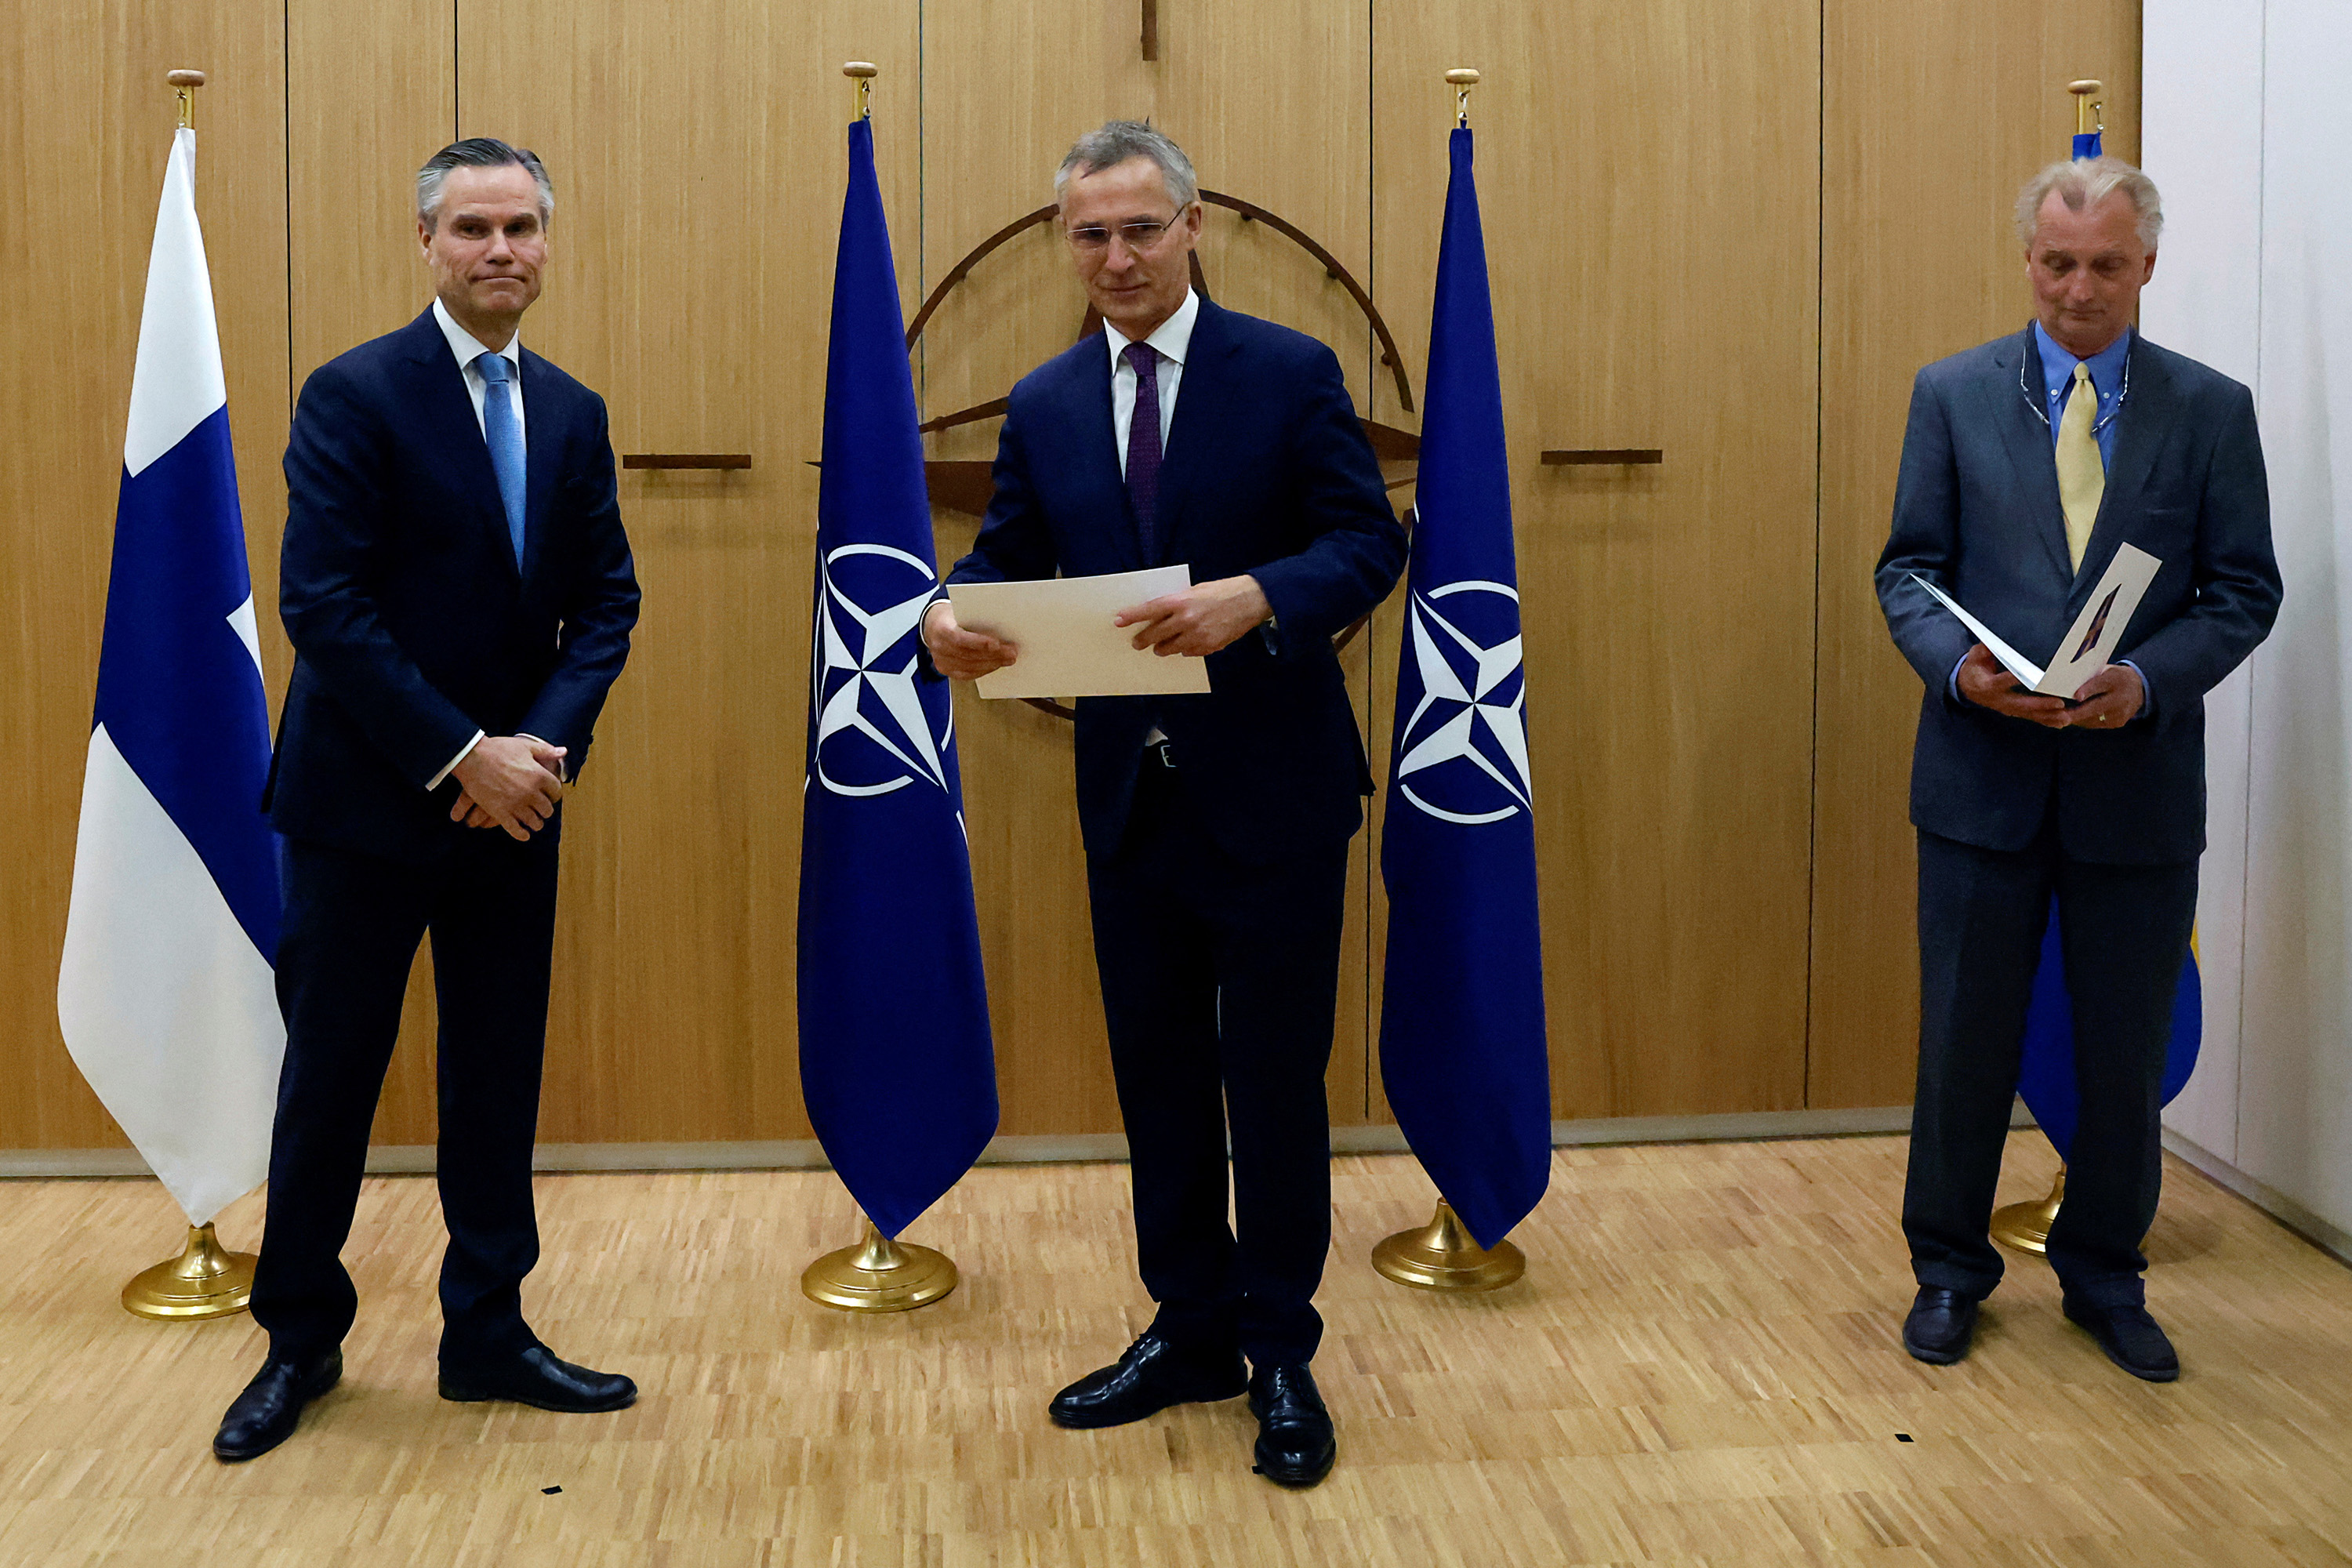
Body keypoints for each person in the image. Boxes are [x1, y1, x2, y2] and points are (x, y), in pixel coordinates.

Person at [924, 122, 1406, 1487]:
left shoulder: (1290, 372)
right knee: (1160, 1086)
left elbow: (1372, 540)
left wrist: (1264, 596)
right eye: (1092, 234)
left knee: (1273, 1086)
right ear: (1064, 242)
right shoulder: (1048, 399)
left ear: (1196, 228)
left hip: (1277, 800)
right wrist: (946, 617)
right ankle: (1189, 1328)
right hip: (1129, 806)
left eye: (1143, 229)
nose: (1119, 256)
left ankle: (1282, 1347)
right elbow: (1007, 557)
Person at [213, 139, 642, 1461]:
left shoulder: (570, 409)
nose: (500, 249)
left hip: (516, 812)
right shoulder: (352, 394)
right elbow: (324, 608)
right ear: (427, 245)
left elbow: (605, 608)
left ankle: (488, 1332)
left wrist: (536, 758)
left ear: (548, 243)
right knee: (332, 1080)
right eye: (472, 229)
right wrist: (465, 754)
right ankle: (298, 1339)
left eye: (520, 226)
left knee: (495, 1073)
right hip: (368, 807)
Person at [1876, 155, 2280, 1381]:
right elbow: (1909, 573)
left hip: (2135, 791)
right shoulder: (1949, 396)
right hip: (1980, 784)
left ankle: (2107, 1277)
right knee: (1963, 1048)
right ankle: (1949, 1271)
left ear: (2147, 266)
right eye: (2059, 263)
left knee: (2124, 1050)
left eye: (2107, 265)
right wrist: (1961, 671)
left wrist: (2149, 683)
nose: (2080, 288)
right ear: (2029, 262)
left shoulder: (2211, 410)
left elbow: (2243, 591)